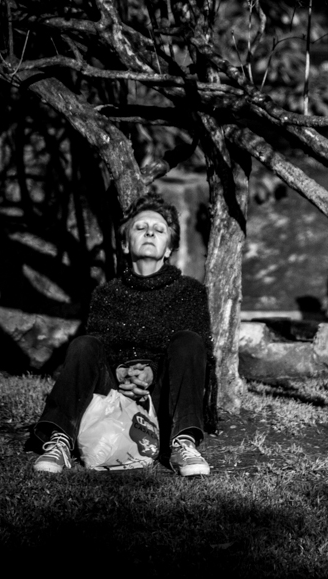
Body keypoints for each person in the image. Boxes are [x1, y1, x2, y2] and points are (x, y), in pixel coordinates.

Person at [32, 191, 212, 477]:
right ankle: (59, 440)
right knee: (85, 344)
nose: (150, 233)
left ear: (168, 248)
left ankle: (183, 443)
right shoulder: (106, 294)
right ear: (127, 244)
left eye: (159, 230)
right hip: (114, 390)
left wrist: (151, 372)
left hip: (163, 394)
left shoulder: (190, 292)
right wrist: (121, 373)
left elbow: (200, 359)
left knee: (190, 341)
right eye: (141, 228)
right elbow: (100, 349)